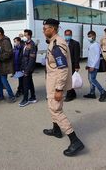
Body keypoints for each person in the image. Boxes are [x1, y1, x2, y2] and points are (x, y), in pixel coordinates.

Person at [42, 18, 84, 157]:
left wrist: (59, 89)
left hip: (55, 84)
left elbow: (63, 68)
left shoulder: (57, 44)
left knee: (56, 110)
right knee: (52, 107)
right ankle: (56, 129)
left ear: (53, 29)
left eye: (45, 28)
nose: (43, 31)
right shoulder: (53, 42)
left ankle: (75, 140)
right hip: (52, 82)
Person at [83, 31, 106, 102]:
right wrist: (88, 65)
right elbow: (90, 56)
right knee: (90, 79)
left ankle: (103, 92)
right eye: (88, 36)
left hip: (94, 66)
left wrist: (93, 66)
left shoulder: (96, 45)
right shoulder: (90, 44)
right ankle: (92, 93)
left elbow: (97, 57)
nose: (89, 37)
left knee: (92, 79)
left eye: (90, 36)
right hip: (90, 65)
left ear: (94, 36)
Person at [0, 27, 16, 102]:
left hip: (3, 64)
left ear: (0, 33)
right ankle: (1, 95)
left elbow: (8, 53)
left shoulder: (5, 41)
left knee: (4, 81)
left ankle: (12, 96)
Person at [19, 29, 37, 107]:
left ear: (29, 35)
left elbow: (32, 59)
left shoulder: (32, 45)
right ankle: (33, 97)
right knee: (30, 82)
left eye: (25, 35)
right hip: (24, 66)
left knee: (25, 84)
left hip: (28, 67)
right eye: (24, 35)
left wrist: (27, 70)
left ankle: (25, 99)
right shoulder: (25, 44)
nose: (24, 36)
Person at [64, 29, 81, 102]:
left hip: (72, 65)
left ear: (71, 35)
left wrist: (77, 66)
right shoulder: (63, 43)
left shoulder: (75, 43)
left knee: (70, 81)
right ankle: (73, 93)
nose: (67, 36)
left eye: (69, 34)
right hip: (64, 65)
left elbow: (77, 56)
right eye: (66, 35)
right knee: (66, 80)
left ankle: (69, 95)